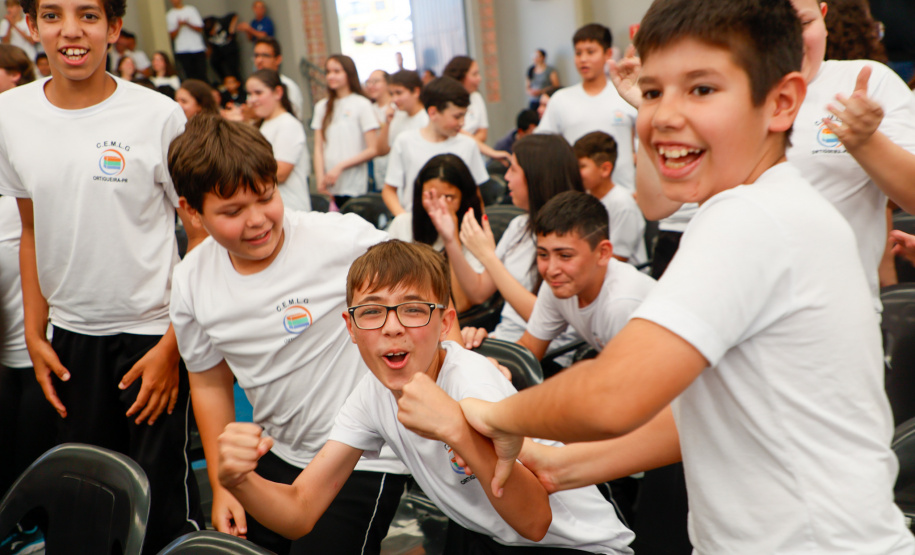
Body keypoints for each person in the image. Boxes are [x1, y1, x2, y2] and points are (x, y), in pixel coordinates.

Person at [458, 0, 915, 553]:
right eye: (653, 92)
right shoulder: (763, 206)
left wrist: (494, 414)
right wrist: (558, 465)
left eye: (701, 89)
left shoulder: (751, 218)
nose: (665, 116)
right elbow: (698, 416)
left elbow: (612, 394)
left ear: (781, 101)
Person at [215, 239, 636, 554]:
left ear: (445, 323)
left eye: (413, 309)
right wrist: (241, 481)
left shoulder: (471, 384)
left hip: (583, 547)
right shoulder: (371, 396)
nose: (393, 326)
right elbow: (300, 512)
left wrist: (457, 428)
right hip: (494, 536)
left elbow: (536, 521)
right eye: (373, 311)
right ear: (350, 326)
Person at [0, 0, 205, 552]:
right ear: (30, 24)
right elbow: (31, 231)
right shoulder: (10, 115)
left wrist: (173, 343)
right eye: (53, 15)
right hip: (70, 341)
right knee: (86, 509)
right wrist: (35, 337)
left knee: (161, 506)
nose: (71, 31)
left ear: (114, 27)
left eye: (89, 15)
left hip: (151, 338)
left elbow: (201, 238)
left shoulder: (157, 115)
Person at [167, 115, 407, 554]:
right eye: (233, 211)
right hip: (276, 448)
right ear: (191, 211)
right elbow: (207, 381)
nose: (258, 220)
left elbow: (418, 282)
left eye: (265, 197)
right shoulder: (190, 282)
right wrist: (226, 484)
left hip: (364, 452)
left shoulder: (339, 239)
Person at [428, 134, 582, 349]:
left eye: (513, 169)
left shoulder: (573, 235)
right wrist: (450, 238)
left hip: (542, 358)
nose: (506, 177)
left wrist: (488, 257)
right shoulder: (520, 225)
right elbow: (478, 292)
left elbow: (546, 320)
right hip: (503, 342)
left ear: (536, 176)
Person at [536, 24, 637, 193]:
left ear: (608, 54)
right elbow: (543, 146)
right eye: (578, 53)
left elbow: (647, 144)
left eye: (590, 52)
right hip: (577, 196)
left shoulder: (625, 95)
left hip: (624, 192)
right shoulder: (561, 99)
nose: (583, 59)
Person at [387, 154, 486, 312]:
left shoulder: (473, 234)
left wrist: (451, 238)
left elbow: (461, 304)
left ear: (463, 197)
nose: (439, 205)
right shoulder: (403, 223)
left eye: (448, 197)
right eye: (431, 196)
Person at [382, 77, 488, 217]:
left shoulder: (468, 144)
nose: (462, 123)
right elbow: (389, 190)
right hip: (417, 225)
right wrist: (403, 218)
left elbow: (476, 195)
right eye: (457, 116)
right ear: (433, 113)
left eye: (464, 116)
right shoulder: (405, 142)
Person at [311, 54, 378, 208]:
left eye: (337, 71)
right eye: (328, 72)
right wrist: (321, 177)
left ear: (349, 74)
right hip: (330, 184)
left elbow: (372, 149)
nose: (331, 76)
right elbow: (318, 148)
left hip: (354, 184)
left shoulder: (362, 104)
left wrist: (340, 166)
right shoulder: (322, 106)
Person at [573, 132, 646, 266]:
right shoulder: (584, 198)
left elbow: (619, 256)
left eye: (582, 166)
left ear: (605, 169)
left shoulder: (622, 204)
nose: (576, 172)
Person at [247, 69, 311, 212]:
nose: (252, 99)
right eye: (250, 94)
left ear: (278, 92)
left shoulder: (288, 124)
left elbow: (280, 173)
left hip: (290, 208)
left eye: (258, 93)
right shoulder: (262, 124)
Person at [375, 69, 429, 161]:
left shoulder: (427, 119)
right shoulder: (397, 117)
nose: (394, 99)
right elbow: (381, 151)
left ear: (416, 92)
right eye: (392, 94)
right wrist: (387, 123)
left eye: (399, 93)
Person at [253, 37, 302, 120]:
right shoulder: (253, 87)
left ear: (278, 59)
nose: (259, 60)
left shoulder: (288, 86)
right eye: (256, 55)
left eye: (265, 55)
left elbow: (292, 118)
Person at [443, 55, 488, 143]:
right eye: (474, 74)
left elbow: (483, 133)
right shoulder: (444, 101)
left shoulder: (476, 97)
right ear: (460, 77)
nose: (479, 78)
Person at [365, 69, 393, 190]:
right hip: (375, 168)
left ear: (388, 84)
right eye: (369, 82)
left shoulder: (395, 107)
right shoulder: (367, 109)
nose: (371, 86)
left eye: (375, 82)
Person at [166, 0, 207, 81]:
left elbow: (200, 28)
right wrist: (179, 26)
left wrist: (188, 23)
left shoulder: (191, 10)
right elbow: (171, 36)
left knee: (202, 74)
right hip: (182, 50)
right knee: (189, 75)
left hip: (197, 48)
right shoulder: (169, 15)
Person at [204, 12, 241, 83]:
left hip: (230, 49)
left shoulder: (222, 22)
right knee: (214, 62)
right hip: (219, 51)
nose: (211, 33)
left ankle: (238, 84)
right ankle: (224, 81)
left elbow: (234, 15)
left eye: (212, 30)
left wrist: (231, 29)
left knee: (233, 69)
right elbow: (211, 43)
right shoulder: (206, 31)